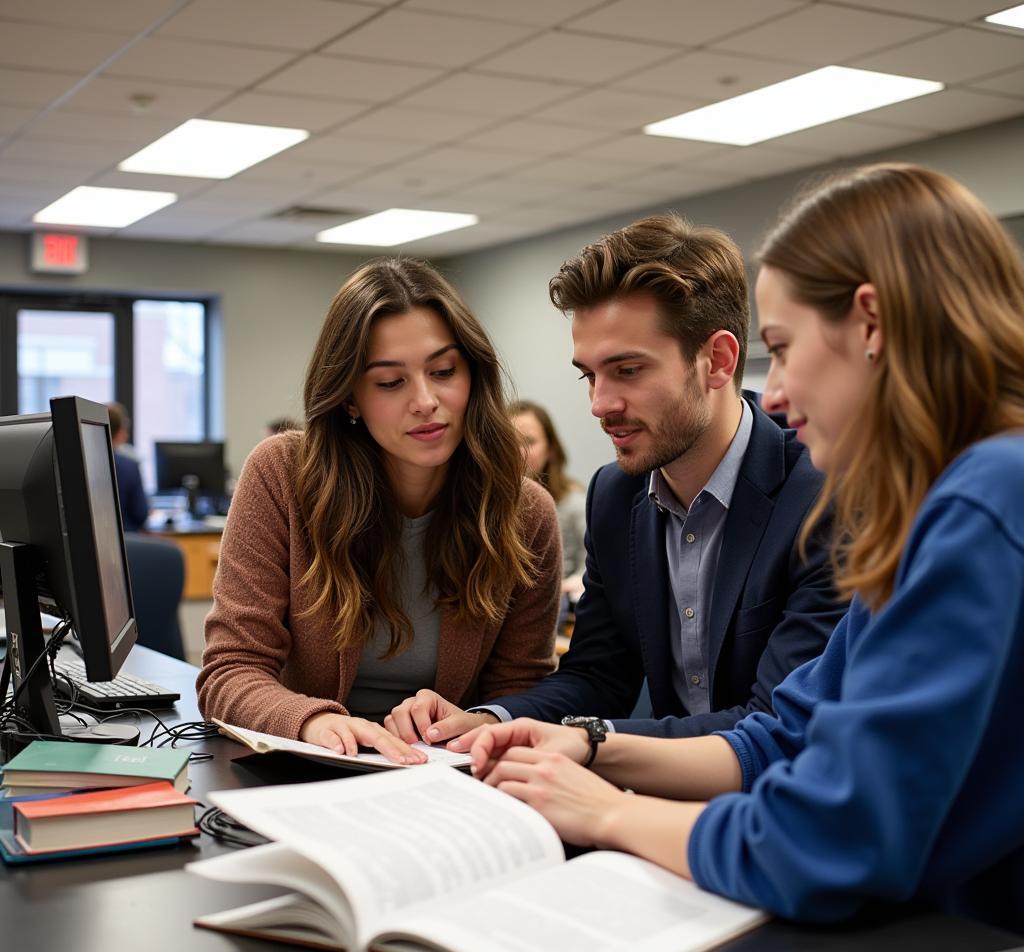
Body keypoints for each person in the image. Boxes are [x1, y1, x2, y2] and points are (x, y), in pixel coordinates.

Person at [466, 164, 1024, 952]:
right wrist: (586, 745)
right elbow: (783, 737)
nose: (784, 393)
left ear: (870, 324)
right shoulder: (931, 508)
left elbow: (830, 838)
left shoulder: (988, 498)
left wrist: (609, 814)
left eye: (788, 347)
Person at [386, 213, 844, 746]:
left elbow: (774, 725)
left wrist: (589, 745)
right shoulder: (616, 495)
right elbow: (596, 678)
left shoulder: (821, 490)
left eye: (628, 370)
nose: (600, 404)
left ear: (717, 361)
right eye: (589, 374)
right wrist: (490, 720)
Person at [197, 257, 562, 764]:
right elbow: (230, 671)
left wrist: (480, 719)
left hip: (444, 776)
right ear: (350, 398)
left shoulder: (524, 512)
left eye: (443, 371)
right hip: (308, 768)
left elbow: (522, 689)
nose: (426, 401)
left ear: (472, 375)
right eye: (391, 382)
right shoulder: (282, 475)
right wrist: (318, 723)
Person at [510, 399, 586, 601]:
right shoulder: (489, 506)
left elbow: (592, 569)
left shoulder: (574, 504)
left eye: (529, 441)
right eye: (509, 441)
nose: (518, 452)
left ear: (551, 448)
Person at [107, 401, 149, 532]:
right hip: (126, 541)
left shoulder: (84, 463)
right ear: (119, 432)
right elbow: (140, 514)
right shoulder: (129, 467)